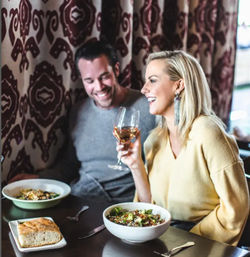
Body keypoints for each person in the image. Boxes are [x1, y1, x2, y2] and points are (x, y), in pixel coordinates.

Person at [116, 50, 249, 246]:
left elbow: (236, 207)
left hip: (202, 241)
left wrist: (188, 240)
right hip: (163, 238)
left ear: (178, 85)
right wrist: (135, 165)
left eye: (152, 80)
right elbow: (148, 209)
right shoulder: (154, 140)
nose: (143, 89)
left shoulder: (208, 131)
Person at [9, 40, 156, 203]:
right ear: (82, 80)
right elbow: (69, 166)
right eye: (89, 81)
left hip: (123, 205)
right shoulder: (78, 111)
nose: (99, 87)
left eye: (104, 77)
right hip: (80, 199)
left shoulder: (149, 106)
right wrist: (37, 178)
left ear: (116, 69)